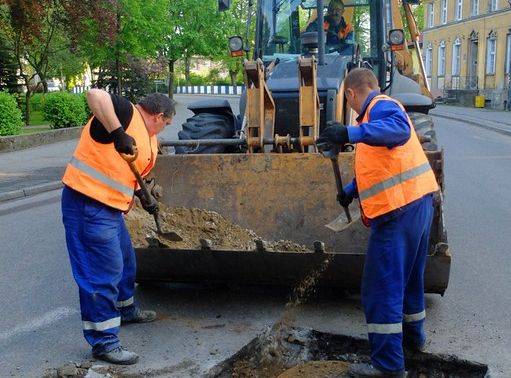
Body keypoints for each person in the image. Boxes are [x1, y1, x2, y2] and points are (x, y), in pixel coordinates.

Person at [317, 68, 439, 377]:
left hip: (398, 210)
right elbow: (380, 165)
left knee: (380, 288)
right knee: (410, 279)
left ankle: (388, 367)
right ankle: (414, 341)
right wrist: (349, 192)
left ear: (351, 94)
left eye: (350, 102)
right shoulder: (374, 117)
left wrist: (349, 133)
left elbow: (398, 131)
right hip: (417, 203)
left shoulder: (382, 106)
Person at [61, 89, 176, 365]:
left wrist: (142, 195)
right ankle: (104, 342)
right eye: (167, 123)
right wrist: (116, 133)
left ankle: (125, 310)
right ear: (159, 116)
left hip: (110, 208)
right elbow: (95, 95)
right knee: (101, 275)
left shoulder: (150, 138)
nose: (165, 128)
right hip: (88, 204)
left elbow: (127, 170)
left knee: (125, 262)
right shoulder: (125, 114)